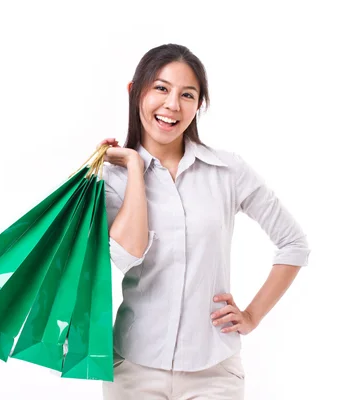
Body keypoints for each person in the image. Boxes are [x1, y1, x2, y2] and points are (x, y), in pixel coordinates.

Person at [99, 44, 310, 399]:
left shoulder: (228, 172)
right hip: (134, 368)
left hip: (215, 372)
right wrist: (135, 168)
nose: (172, 105)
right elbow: (123, 256)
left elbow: (294, 244)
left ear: (199, 105)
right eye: (161, 88)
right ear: (135, 92)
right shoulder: (113, 180)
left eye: (187, 95)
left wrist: (252, 315)